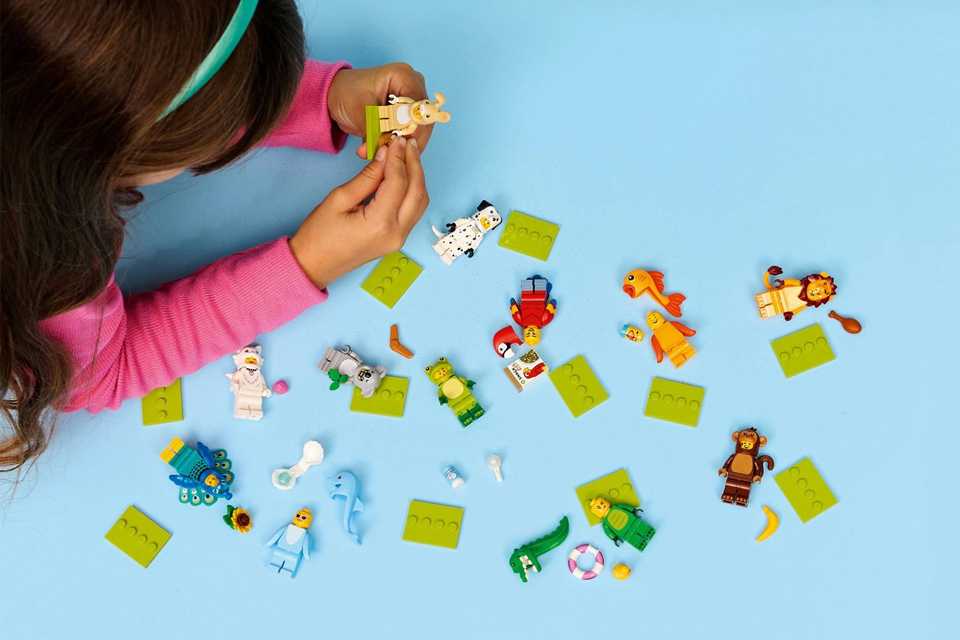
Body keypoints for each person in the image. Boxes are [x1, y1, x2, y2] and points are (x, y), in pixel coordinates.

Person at [0, 0, 434, 472]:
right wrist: (305, 267)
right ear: (90, 159)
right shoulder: (39, 264)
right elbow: (99, 375)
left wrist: (320, 97)